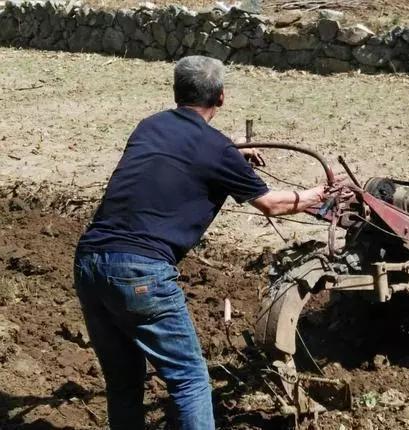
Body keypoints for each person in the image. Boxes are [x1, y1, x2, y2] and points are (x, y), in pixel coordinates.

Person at [73, 56, 338, 429]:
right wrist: (316, 195)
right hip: (141, 272)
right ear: (222, 97)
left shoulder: (149, 126)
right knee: (190, 379)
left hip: (89, 262)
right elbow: (271, 205)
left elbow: (180, 153)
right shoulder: (217, 150)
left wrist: (232, 153)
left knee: (123, 382)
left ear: (177, 92)